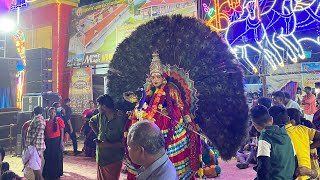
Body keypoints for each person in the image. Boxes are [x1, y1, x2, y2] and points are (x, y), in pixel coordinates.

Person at [124, 51, 200, 180]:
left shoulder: (171, 89)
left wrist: (188, 121)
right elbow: (143, 105)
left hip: (169, 125)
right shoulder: (148, 90)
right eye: (153, 77)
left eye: (158, 77)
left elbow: (181, 106)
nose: (155, 80)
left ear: (163, 77)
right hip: (149, 122)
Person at [270, 106, 320, 180]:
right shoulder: (302, 129)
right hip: (306, 174)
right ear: (288, 119)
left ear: (271, 120)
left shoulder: (274, 135)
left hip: (286, 176)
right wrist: (308, 147)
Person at [250, 105, 296, 179]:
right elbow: (294, 159)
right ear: (271, 119)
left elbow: (263, 167)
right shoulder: (286, 134)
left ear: (256, 126)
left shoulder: (264, 137)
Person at [89, 94, 127, 180]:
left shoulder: (121, 118)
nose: (97, 108)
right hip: (100, 157)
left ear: (104, 106)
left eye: (98, 105)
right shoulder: (100, 116)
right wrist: (98, 134)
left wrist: (108, 145)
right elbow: (91, 122)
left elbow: (124, 143)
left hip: (113, 159)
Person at [42, 107, 65, 180]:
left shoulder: (59, 120)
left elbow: (62, 131)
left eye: (53, 112)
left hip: (56, 140)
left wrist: (61, 141)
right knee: (48, 156)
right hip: (48, 141)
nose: (52, 114)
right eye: (51, 112)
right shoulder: (45, 121)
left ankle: (56, 173)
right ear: (48, 113)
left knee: (56, 157)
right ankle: (48, 173)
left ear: (55, 113)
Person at [24, 106, 46, 180]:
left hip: (34, 146)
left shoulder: (37, 119)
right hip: (37, 146)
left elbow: (37, 133)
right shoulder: (41, 119)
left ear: (34, 112)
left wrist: (31, 142)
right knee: (36, 167)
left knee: (36, 168)